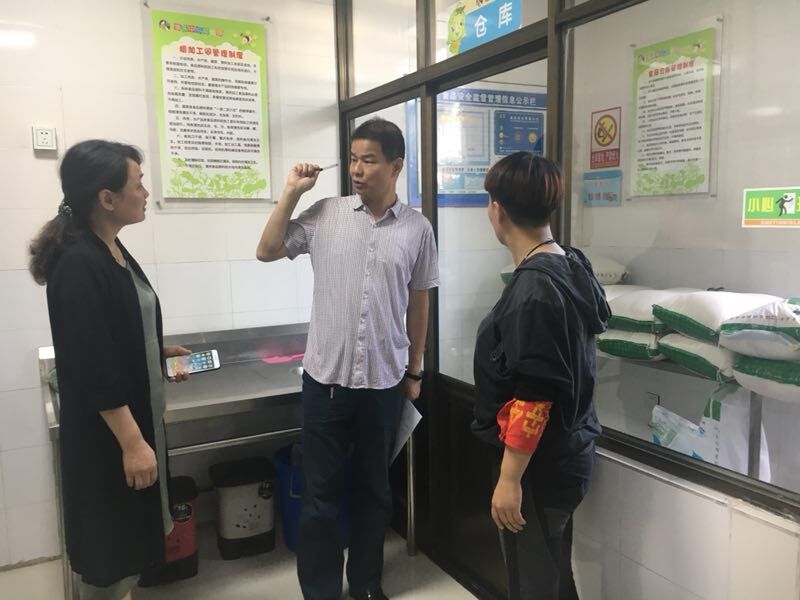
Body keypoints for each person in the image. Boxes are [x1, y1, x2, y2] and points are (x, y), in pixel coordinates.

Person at [256, 118, 439, 600]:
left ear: (396, 166)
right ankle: (320, 592)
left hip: (384, 382)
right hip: (326, 384)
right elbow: (267, 250)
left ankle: (366, 586)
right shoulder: (325, 214)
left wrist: (415, 369)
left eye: (369, 160)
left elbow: (419, 300)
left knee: (375, 493)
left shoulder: (417, 229)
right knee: (320, 498)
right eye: (354, 159)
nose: (357, 169)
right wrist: (291, 193)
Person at [29, 140, 192, 600]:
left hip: (133, 427)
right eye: (137, 184)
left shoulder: (110, 248)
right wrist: (133, 444)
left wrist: (154, 352)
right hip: (110, 441)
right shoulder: (79, 263)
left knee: (130, 551)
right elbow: (91, 363)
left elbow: (113, 328)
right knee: (110, 559)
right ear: (106, 198)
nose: (145, 193)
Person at [471, 152, 610, 600]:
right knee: (550, 574)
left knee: (533, 583)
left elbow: (535, 394)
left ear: (498, 210)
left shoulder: (534, 288)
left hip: (539, 466)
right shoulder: (570, 262)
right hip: (567, 452)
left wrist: (509, 479)